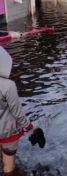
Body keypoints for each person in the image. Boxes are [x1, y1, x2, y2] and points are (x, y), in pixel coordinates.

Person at [0, 47, 45, 175]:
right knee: (9, 168)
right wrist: (31, 129)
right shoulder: (8, 86)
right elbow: (17, 113)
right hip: (8, 133)